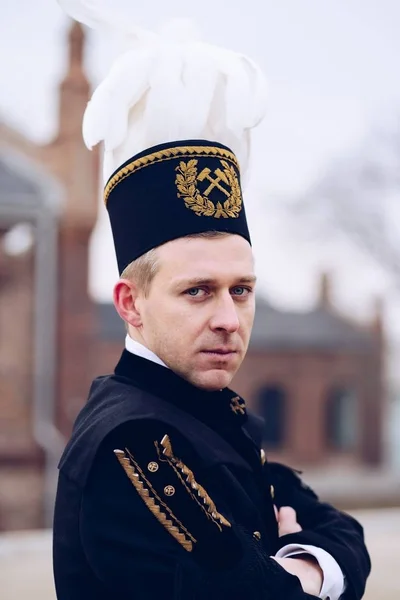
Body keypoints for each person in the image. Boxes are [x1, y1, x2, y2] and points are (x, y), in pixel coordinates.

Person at [53, 4, 371, 599]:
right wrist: (311, 567)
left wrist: (296, 564)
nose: (228, 319)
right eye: (196, 291)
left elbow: (345, 529)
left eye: (241, 290)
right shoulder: (136, 438)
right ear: (130, 303)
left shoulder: (207, 412)